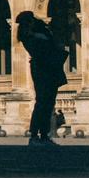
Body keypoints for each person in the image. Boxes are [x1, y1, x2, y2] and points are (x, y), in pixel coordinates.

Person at [17, 11, 68, 147]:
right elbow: (42, 50)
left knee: (48, 103)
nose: (32, 21)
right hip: (42, 68)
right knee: (42, 102)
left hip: (49, 68)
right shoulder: (29, 36)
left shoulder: (39, 33)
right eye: (29, 20)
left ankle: (44, 135)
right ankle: (35, 135)